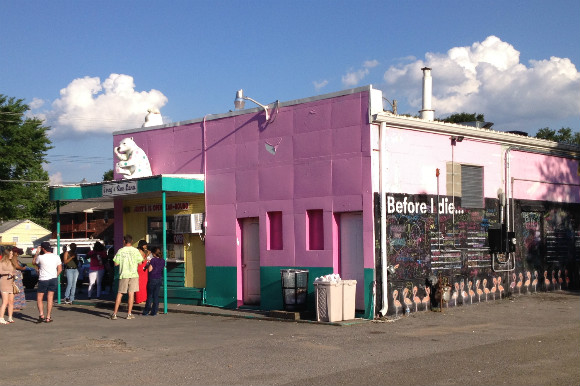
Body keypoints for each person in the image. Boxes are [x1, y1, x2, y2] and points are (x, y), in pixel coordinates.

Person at [111, 235, 145, 320]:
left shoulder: (121, 251)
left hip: (124, 274)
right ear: (132, 241)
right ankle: (129, 314)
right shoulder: (136, 251)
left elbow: (116, 263)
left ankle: (115, 314)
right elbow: (140, 263)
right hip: (133, 274)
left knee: (120, 293)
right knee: (131, 294)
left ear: (124, 241)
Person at [32, 241, 62, 323]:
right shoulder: (56, 257)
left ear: (43, 249)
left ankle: (41, 314)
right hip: (53, 278)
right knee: (50, 297)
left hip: (43, 279)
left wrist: (37, 253)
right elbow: (60, 269)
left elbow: (33, 262)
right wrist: (55, 275)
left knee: (39, 298)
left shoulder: (41, 257)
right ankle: (48, 317)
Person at [142, 246, 165, 316]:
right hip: (159, 278)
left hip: (152, 278)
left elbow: (150, 270)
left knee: (149, 296)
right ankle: (154, 311)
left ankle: (146, 311)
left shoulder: (153, 260)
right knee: (156, 296)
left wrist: (147, 265)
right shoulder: (163, 260)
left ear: (154, 254)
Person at [0, 247, 17, 324]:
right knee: (5, 302)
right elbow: (0, 271)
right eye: (10, 254)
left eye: (12, 254)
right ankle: (1, 318)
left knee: (11, 301)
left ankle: (10, 317)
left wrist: (14, 274)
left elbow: (14, 271)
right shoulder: (1, 262)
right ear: (6, 255)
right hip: (4, 283)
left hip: (11, 283)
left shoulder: (12, 262)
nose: (11, 255)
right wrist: (7, 272)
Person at [135, 240, 150, 304]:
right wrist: (147, 255)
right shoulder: (139, 252)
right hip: (141, 269)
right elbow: (141, 261)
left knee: (144, 284)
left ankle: (143, 298)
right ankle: (139, 299)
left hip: (144, 269)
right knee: (140, 284)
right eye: (145, 245)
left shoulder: (142, 251)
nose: (145, 246)